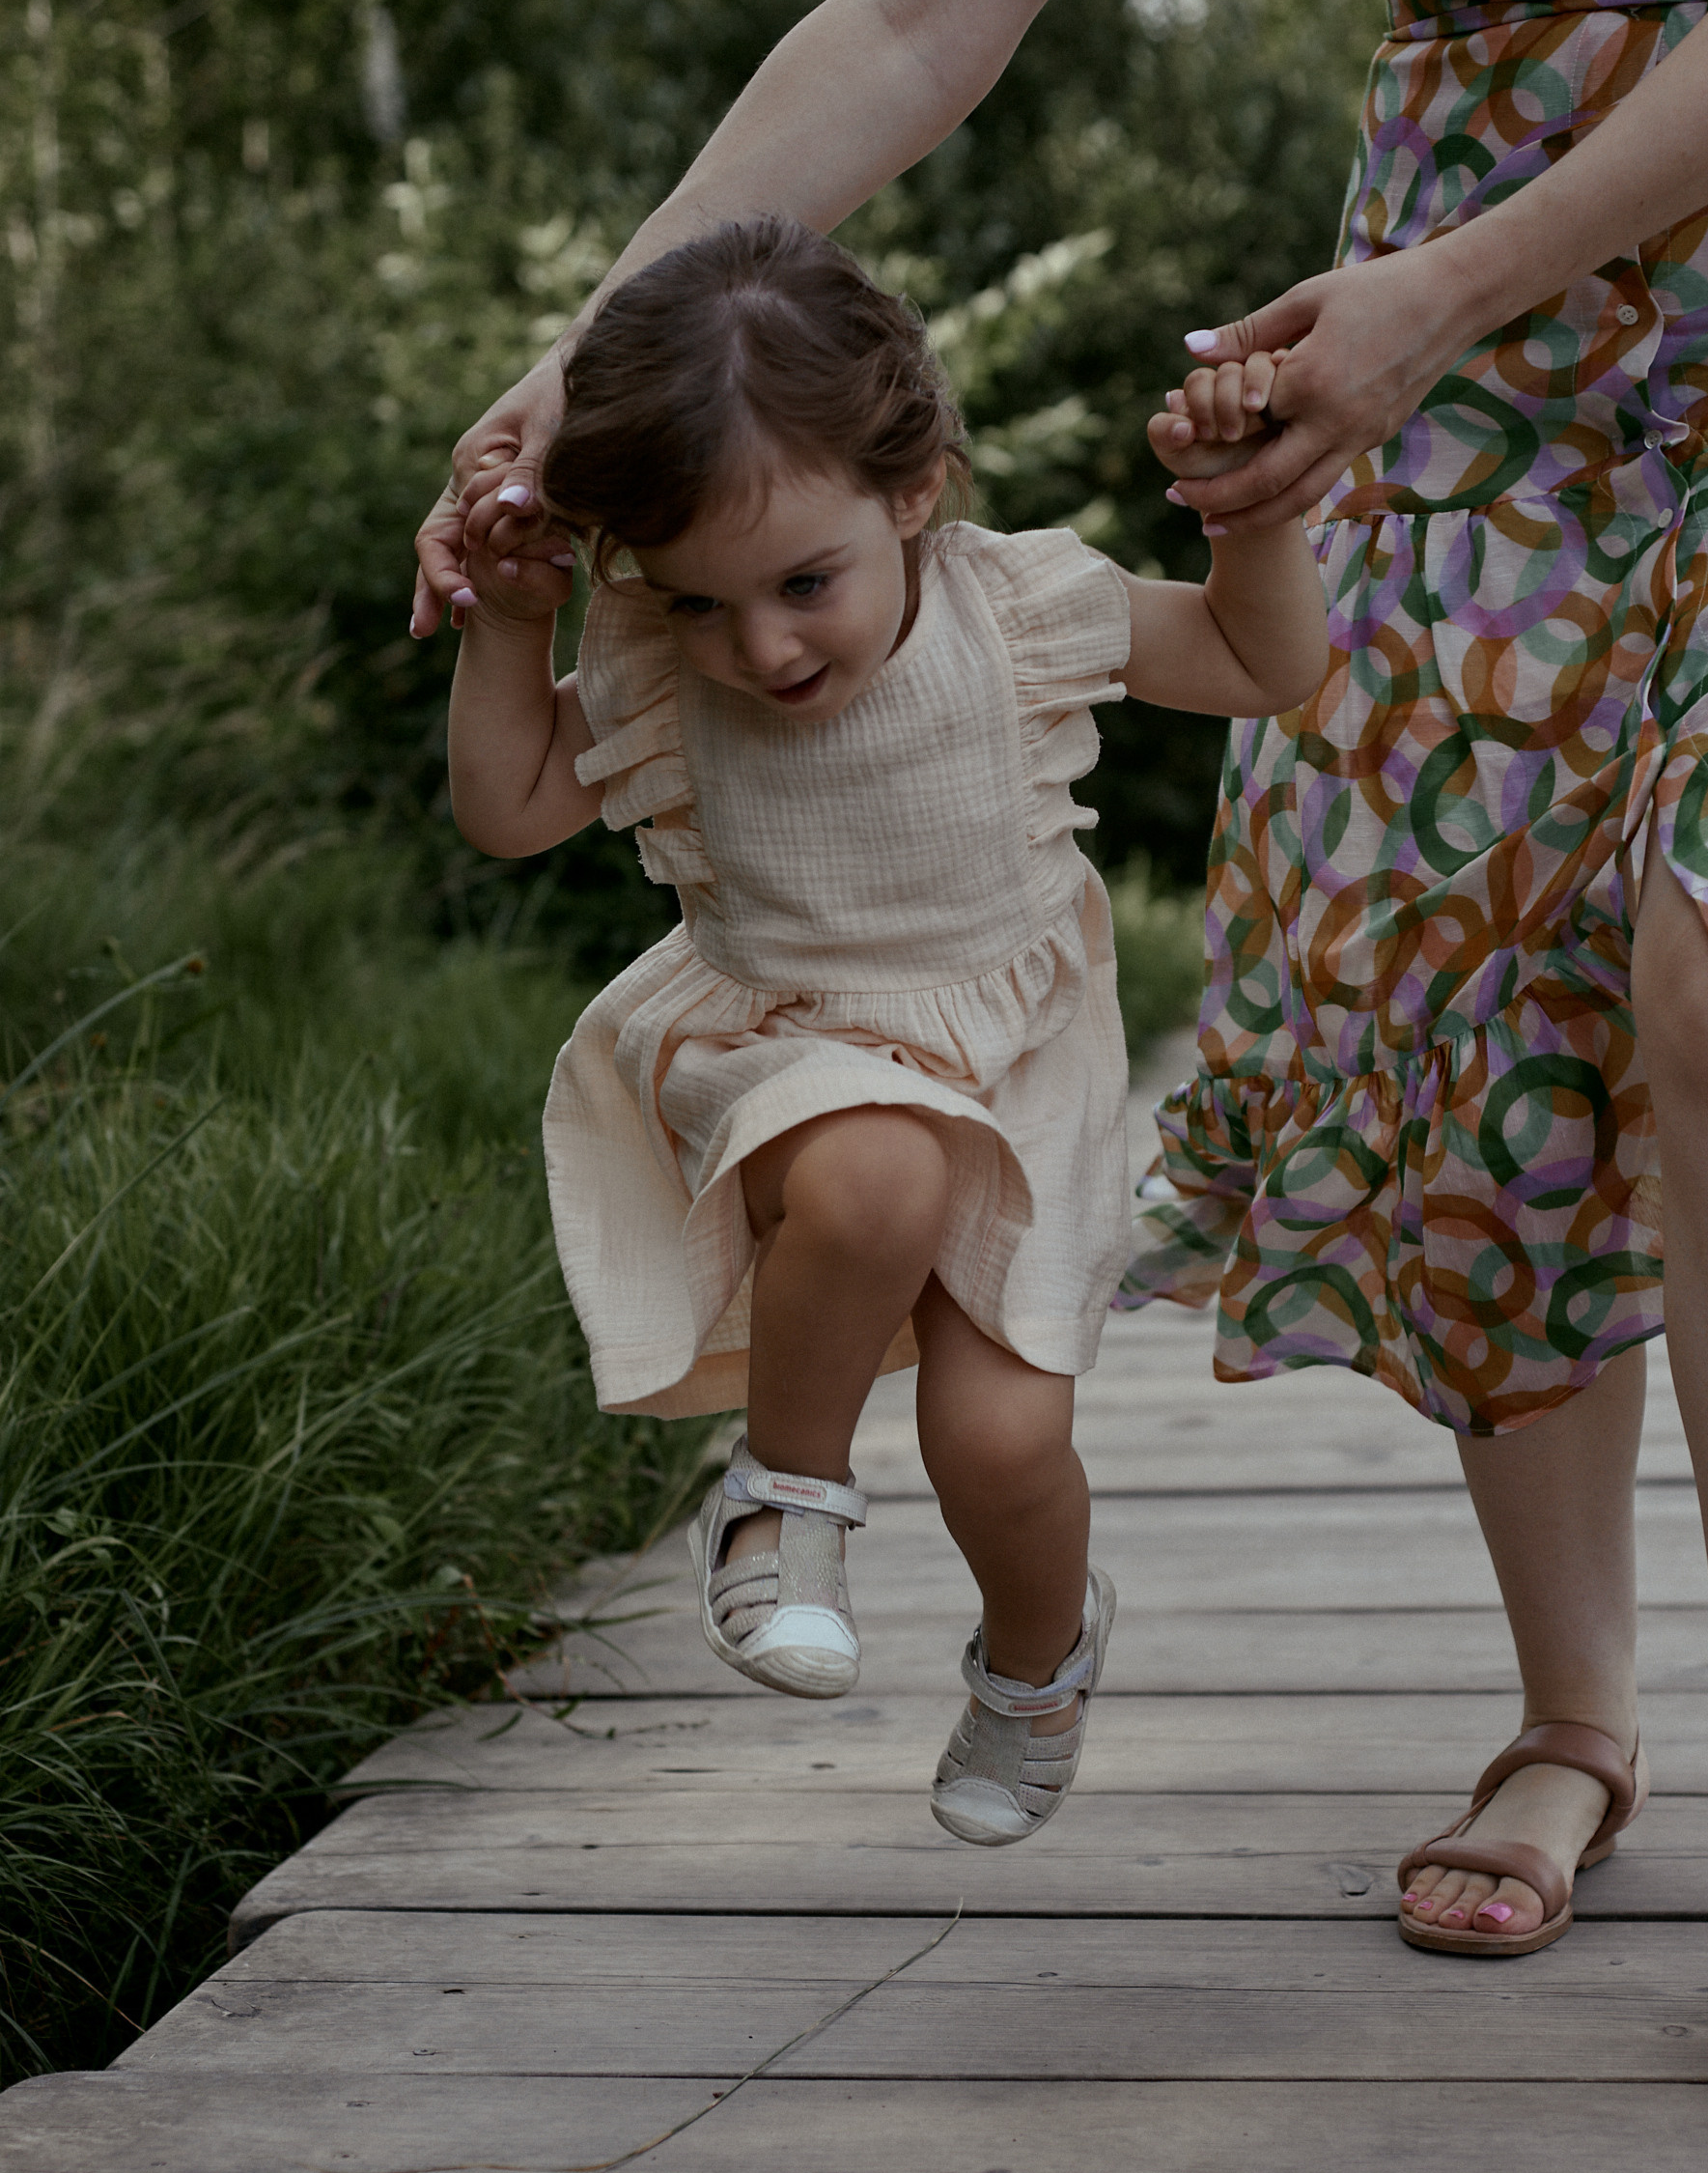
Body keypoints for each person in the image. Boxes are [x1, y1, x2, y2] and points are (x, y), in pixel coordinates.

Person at [417, 0, 1708, 2062]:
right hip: (1453, 385)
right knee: (1486, 987)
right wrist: (586, 360)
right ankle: (1573, 1717)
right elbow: (929, 6)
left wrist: (1447, 291)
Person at [443, 215, 1327, 1847]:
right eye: (699, 604)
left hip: (1018, 1057)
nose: (761, 647)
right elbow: (508, 809)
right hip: (788, 1042)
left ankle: (1038, 1666)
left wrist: (1248, 513)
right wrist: (510, 626)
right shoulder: (662, 666)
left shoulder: (1020, 609)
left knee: (1004, 1446)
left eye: (803, 585)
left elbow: (1260, 661)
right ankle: (783, 1499)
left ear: (912, 489)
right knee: (875, 1176)